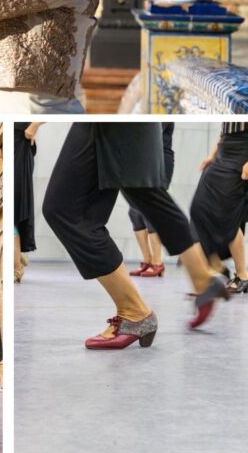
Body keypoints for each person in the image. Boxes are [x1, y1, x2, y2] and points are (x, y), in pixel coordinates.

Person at [42, 123, 228, 349]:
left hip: (113, 117)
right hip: (113, 120)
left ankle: (134, 311)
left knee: (67, 209)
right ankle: (201, 278)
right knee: (144, 193)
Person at [190, 122, 248, 293]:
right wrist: (212, 153)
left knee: (228, 215)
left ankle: (242, 275)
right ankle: (216, 265)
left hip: (242, 151)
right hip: (224, 149)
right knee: (199, 207)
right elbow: (225, 129)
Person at [129, 123, 175, 278]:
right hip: (141, 161)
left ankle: (157, 262)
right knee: (134, 212)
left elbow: (147, 132)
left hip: (159, 161)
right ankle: (147, 260)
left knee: (149, 209)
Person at [15, 122, 41, 282]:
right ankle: (16, 257)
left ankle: (16, 264)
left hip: (20, 145)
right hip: (17, 141)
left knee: (15, 206)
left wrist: (34, 126)